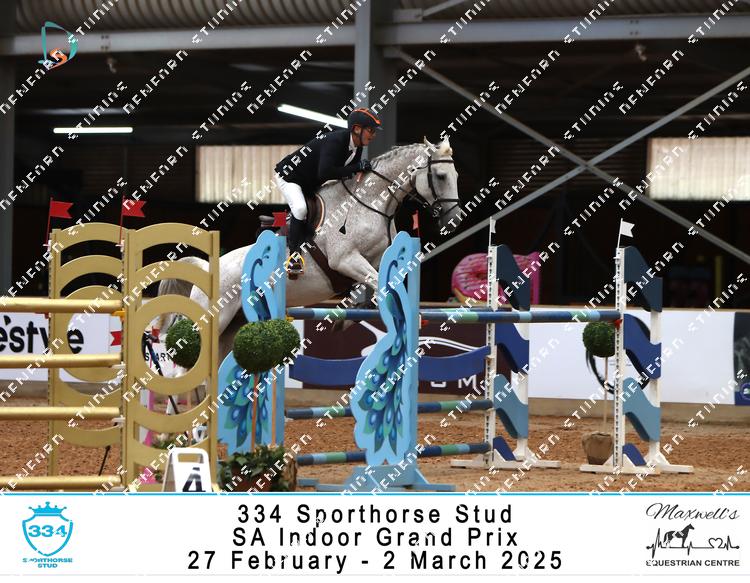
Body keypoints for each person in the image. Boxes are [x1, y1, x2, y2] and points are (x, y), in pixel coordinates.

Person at [273, 107, 382, 274]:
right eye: (371, 130)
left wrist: (360, 171)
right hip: (290, 177)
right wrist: (356, 167)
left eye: (374, 131)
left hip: (310, 183)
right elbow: (325, 172)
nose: (373, 135)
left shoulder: (357, 146)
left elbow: (346, 174)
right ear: (357, 129)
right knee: (300, 209)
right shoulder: (336, 141)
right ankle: (294, 257)